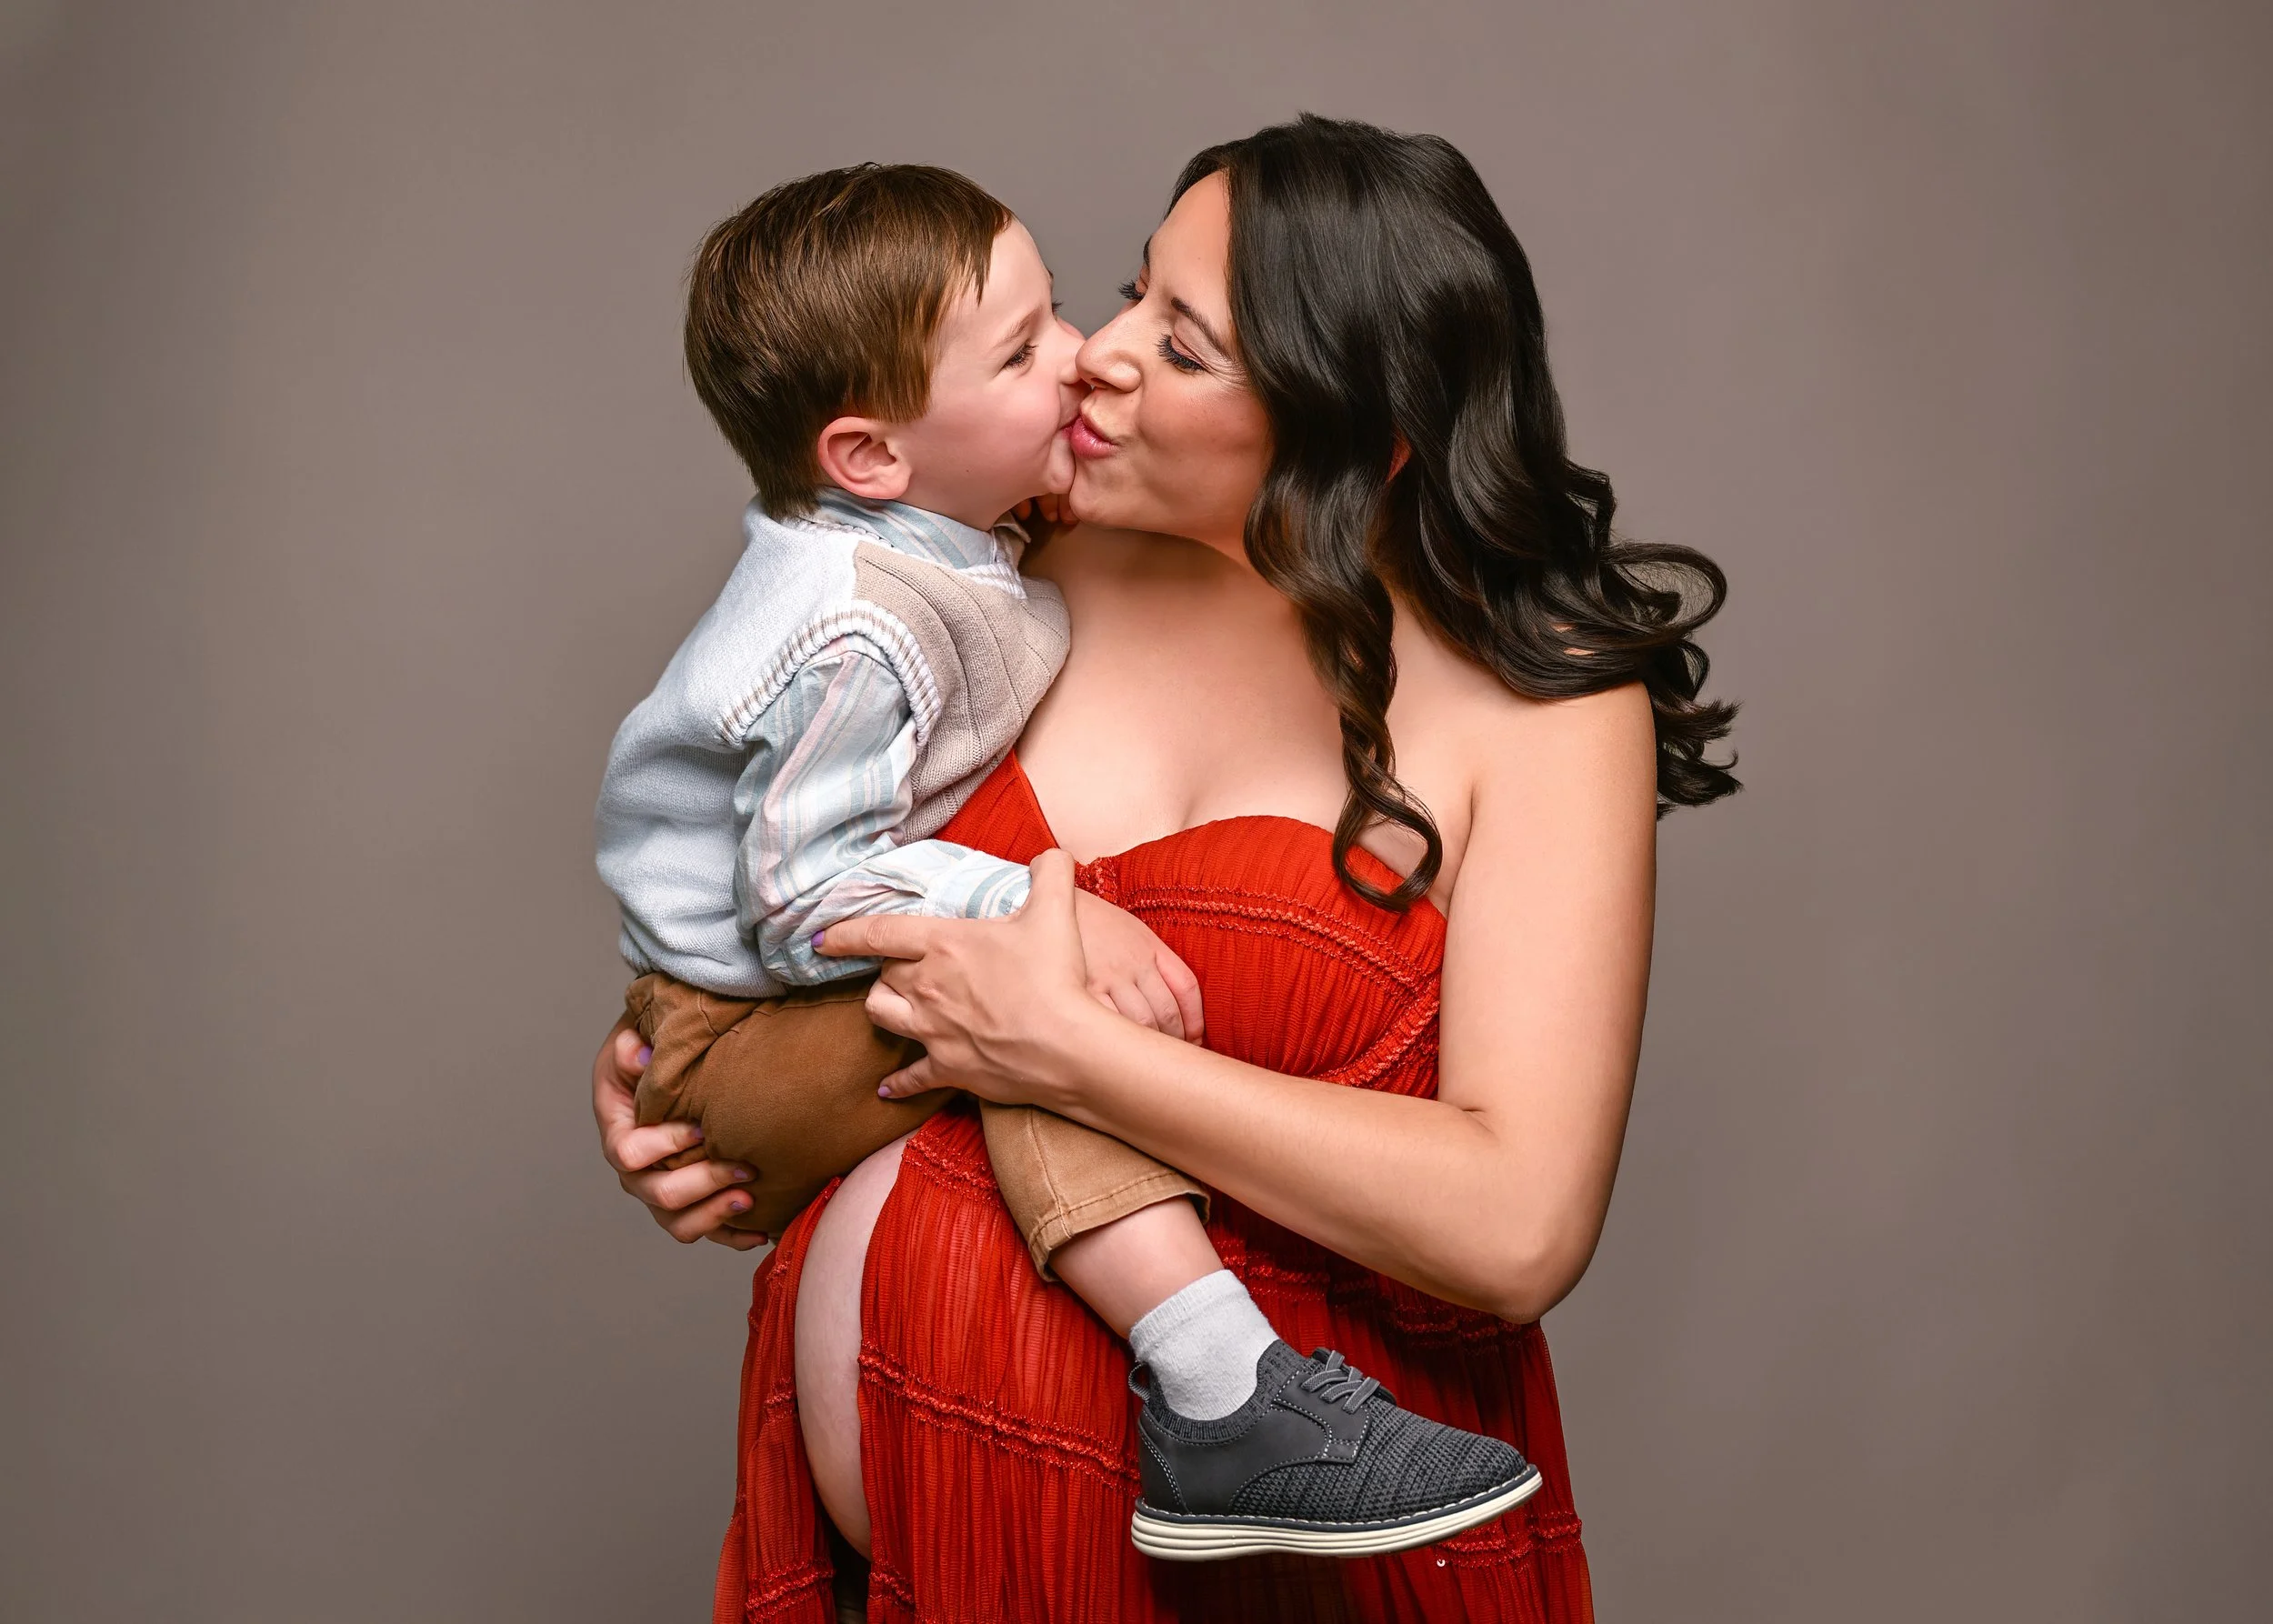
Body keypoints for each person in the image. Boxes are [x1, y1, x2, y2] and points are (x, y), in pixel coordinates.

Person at [596, 115, 1736, 1619]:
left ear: (1362, 431)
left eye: (1181, 344)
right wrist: (697, 1071)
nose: (1100, 357)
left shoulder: (1542, 711)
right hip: (913, 1561)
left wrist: (1078, 1055)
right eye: (1132, 292)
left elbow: (1517, 1225)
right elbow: (799, 851)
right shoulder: (1004, 568)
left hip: (1287, 1582)